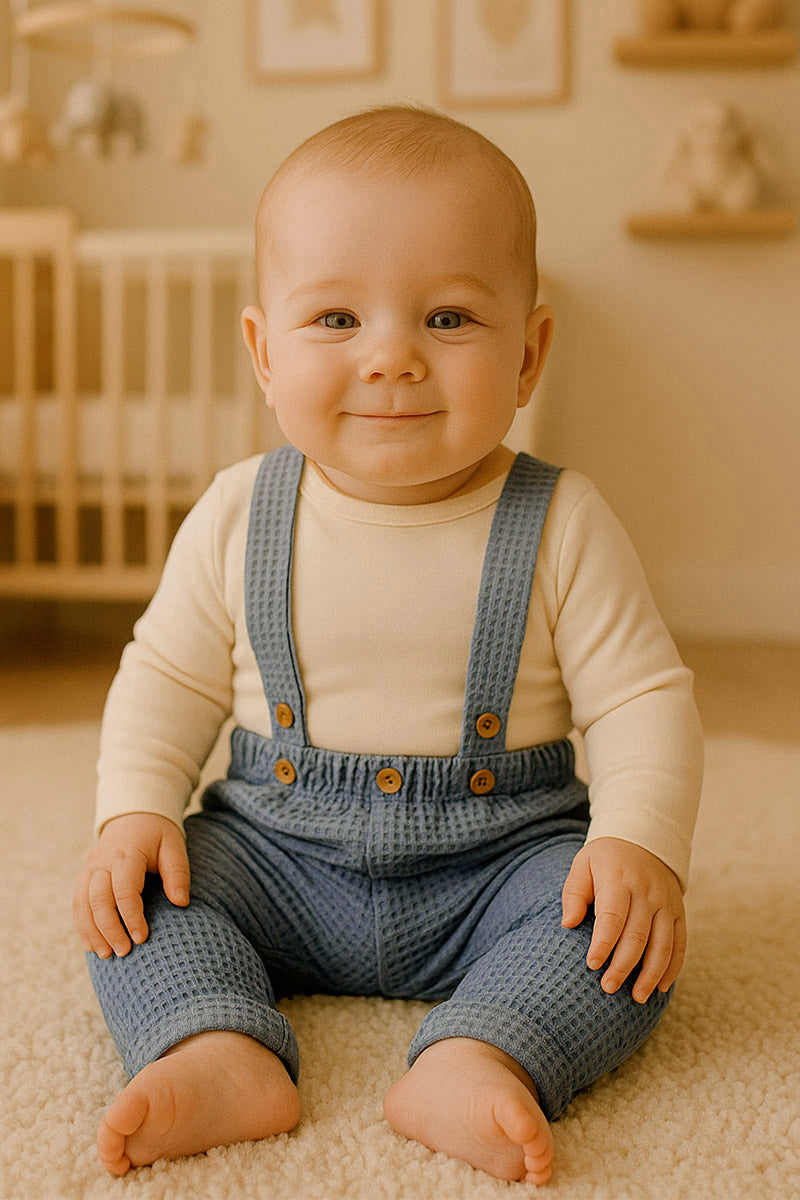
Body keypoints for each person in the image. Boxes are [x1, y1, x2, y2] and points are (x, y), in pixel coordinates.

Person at [73, 105, 703, 1185]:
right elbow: (168, 675)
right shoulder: (237, 511)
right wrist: (130, 809)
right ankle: (215, 1041)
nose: (392, 359)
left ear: (528, 351)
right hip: (276, 853)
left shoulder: (560, 519)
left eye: (449, 319)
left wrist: (638, 844)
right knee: (136, 905)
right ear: (263, 353)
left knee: (619, 944)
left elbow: (641, 697)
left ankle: (485, 1048)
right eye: (334, 321)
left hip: (498, 861)